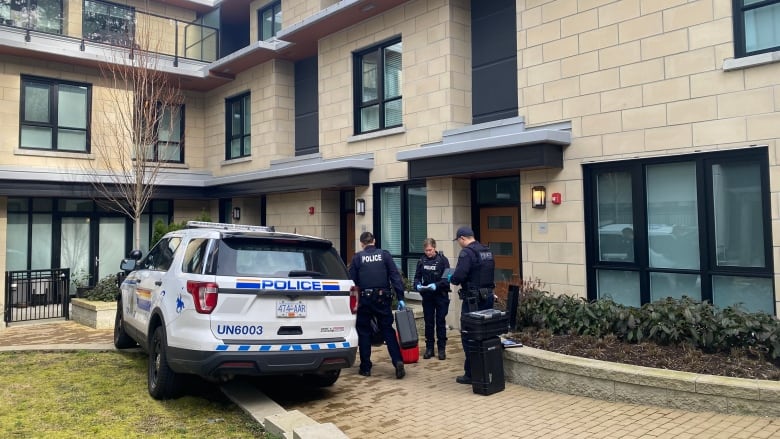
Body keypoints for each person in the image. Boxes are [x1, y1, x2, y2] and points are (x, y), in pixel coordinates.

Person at [348, 231, 406, 379]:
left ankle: (366, 367)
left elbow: (352, 282)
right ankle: (398, 361)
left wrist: (352, 304)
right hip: (382, 298)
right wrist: (400, 297)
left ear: (362, 244)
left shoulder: (357, 258)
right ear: (374, 241)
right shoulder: (384, 255)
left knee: (364, 332)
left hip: (364, 300)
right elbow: (395, 277)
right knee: (388, 331)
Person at [448, 226, 495, 385]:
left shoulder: (467, 253)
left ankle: (471, 373)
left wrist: (451, 278)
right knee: (486, 334)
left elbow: (459, 276)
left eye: (458, 241)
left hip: (473, 301)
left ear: (462, 238)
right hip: (488, 297)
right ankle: (487, 370)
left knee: (469, 336)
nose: (459, 244)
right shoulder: (486, 251)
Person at [413, 238, 451, 360]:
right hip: (427, 296)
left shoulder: (443, 260)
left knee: (440, 322)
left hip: (440, 295)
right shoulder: (421, 260)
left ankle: (441, 349)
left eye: (430, 250)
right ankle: (429, 348)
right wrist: (417, 285)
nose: (428, 252)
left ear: (434, 248)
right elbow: (417, 277)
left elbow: (447, 280)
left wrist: (437, 285)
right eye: (426, 250)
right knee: (429, 323)